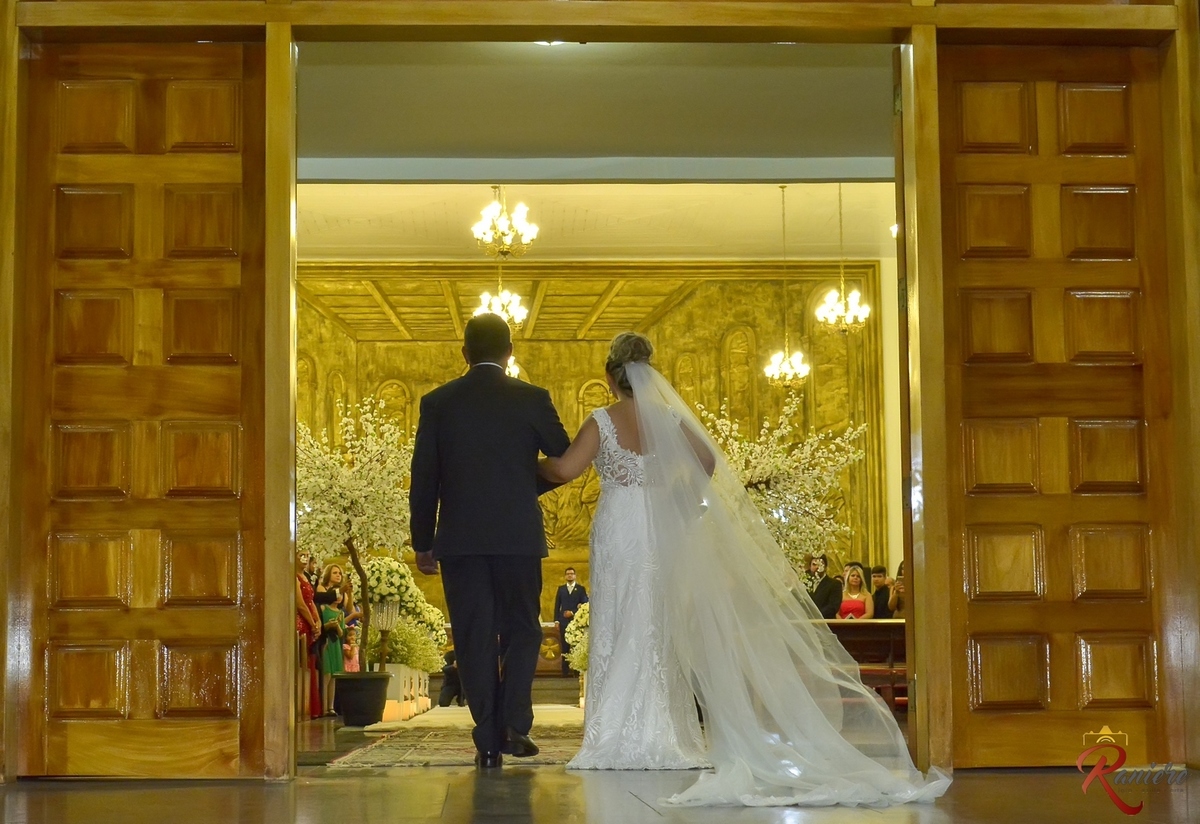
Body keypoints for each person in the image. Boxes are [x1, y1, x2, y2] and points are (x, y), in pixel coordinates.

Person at [539, 331, 950, 806]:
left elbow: (566, 470)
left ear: (611, 377)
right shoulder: (667, 418)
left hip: (620, 531)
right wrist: (678, 495)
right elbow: (708, 460)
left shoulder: (601, 420)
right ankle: (665, 734)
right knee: (657, 625)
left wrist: (528, 468)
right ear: (648, 373)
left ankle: (613, 735)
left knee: (619, 621)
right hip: (660, 529)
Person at [410, 312, 571, 769]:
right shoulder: (532, 398)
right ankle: (515, 723)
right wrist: (521, 485)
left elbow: (424, 477)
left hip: (460, 540)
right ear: (510, 353)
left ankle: (486, 737)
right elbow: (563, 457)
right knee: (523, 629)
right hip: (518, 535)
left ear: (464, 353)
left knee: (473, 634)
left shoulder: (438, 403)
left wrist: (423, 540)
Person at [317, 564, 347, 716]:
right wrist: (329, 625)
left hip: (336, 644)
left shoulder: (340, 613)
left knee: (334, 676)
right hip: (327, 643)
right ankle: (323, 707)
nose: (339, 597)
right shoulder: (323, 608)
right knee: (326, 675)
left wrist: (337, 626)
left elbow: (342, 633)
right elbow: (321, 626)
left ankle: (331, 706)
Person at [554, 568, 589, 675]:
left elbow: (585, 604)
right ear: (565, 576)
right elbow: (557, 605)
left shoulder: (580, 589)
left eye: (572, 574)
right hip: (563, 621)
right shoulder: (561, 589)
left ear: (575, 576)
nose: (570, 575)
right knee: (564, 646)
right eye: (568, 574)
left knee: (576, 646)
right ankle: (565, 672)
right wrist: (556, 620)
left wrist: (573, 612)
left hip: (577, 621)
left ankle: (577, 671)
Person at [807, 554, 843, 619]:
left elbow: (833, 606)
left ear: (826, 567)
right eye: (814, 564)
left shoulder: (834, 584)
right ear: (810, 566)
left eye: (820, 564)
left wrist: (816, 615)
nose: (817, 567)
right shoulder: (804, 583)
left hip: (825, 621)